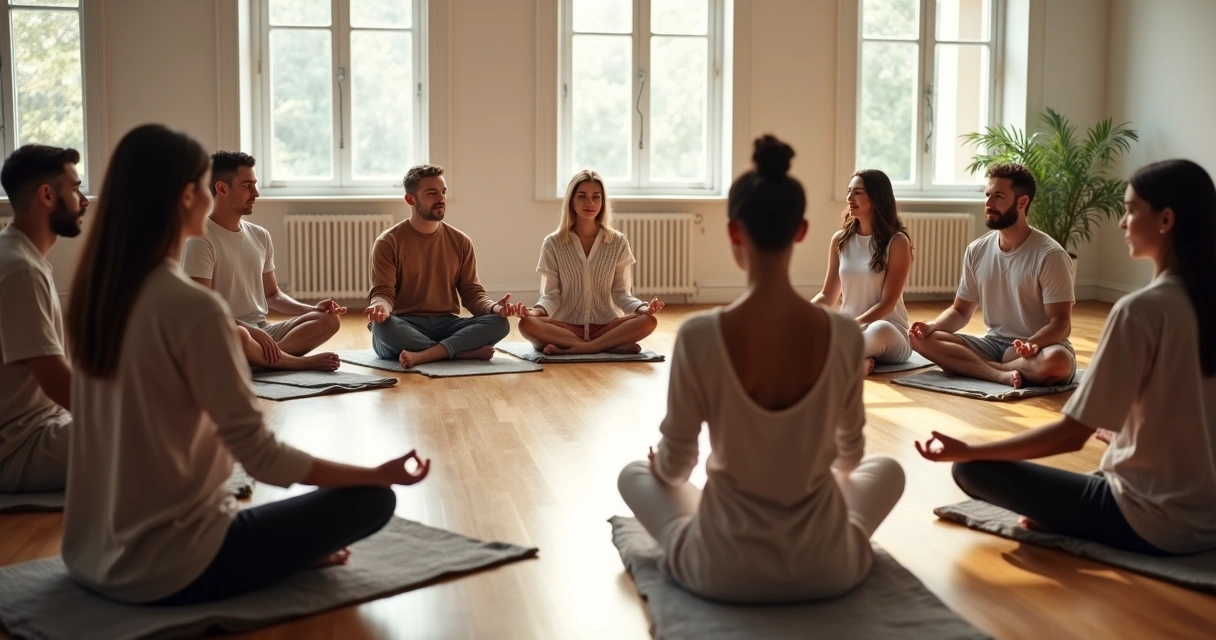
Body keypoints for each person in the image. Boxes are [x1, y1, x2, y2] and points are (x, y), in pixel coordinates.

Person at [62, 124, 432, 605]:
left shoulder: (97, 298)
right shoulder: (192, 307)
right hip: (170, 565)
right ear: (187, 197)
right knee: (373, 500)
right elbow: (263, 458)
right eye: (202, 185)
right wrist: (374, 473)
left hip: (87, 554)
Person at [617, 135, 905, 603]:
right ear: (802, 231)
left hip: (719, 570)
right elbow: (850, 460)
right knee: (888, 469)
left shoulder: (698, 335)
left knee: (634, 473)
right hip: (828, 568)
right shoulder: (845, 336)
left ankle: (709, 533)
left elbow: (675, 468)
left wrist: (660, 465)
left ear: (734, 232)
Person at [916, 159, 1216, 555]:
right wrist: (1120, 431)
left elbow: (1071, 435)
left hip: (1150, 520)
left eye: (1130, 210)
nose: (1123, 223)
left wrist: (972, 450)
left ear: (1165, 220)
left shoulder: (1139, 310)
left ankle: (1071, 521)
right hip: (1207, 513)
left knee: (970, 470)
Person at [908, 162, 1076, 388]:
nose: (988, 203)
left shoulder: (1050, 254)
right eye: (987, 195)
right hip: (993, 345)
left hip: (1040, 347)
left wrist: (1031, 345)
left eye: (998, 196)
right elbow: (960, 311)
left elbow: (1061, 324)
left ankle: (981, 368)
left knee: (1059, 361)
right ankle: (998, 373)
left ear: (1022, 202)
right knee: (919, 339)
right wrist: (933, 326)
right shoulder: (977, 250)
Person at [182, 151, 342, 372]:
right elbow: (204, 312)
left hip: (262, 331)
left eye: (255, 184)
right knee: (240, 336)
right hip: (228, 332)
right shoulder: (201, 240)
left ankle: (261, 362)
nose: (256, 193)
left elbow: (272, 295)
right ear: (222, 188)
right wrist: (252, 332)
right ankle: (296, 362)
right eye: (247, 185)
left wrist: (312, 309)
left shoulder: (260, 235)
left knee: (329, 321)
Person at [365, 164, 520, 368]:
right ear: (410, 200)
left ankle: (426, 353)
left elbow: (472, 294)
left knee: (498, 324)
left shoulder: (460, 241)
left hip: (446, 324)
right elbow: (383, 292)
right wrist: (380, 308)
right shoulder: (388, 242)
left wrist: (494, 307)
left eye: (443, 192)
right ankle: (458, 353)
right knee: (382, 328)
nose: (441, 199)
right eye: (432, 193)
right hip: (405, 324)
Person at [0, 145, 86, 492]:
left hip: (43, 424)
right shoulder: (20, 268)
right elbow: (55, 380)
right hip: (19, 446)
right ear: (47, 195)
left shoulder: (20, 254)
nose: (84, 201)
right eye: (76, 188)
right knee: (163, 430)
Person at [518, 170, 663, 355]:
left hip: (607, 325)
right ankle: (609, 346)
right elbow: (551, 295)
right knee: (526, 324)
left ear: (603, 202)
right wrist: (532, 313)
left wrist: (643, 308)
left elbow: (621, 293)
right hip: (566, 327)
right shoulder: (553, 243)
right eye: (582, 196)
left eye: (596, 197)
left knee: (648, 321)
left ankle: (579, 348)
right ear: (572, 201)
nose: (590, 203)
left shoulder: (618, 242)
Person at [811, 169, 913, 374]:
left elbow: (888, 303)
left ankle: (838, 357)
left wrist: (850, 326)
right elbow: (827, 294)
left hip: (888, 333)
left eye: (857, 192)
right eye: (849, 191)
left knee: (878, 329)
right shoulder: (840, 240)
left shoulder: (897, 242)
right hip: (849, 331)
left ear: (876, 197)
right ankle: (855, 361)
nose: (849, 198)